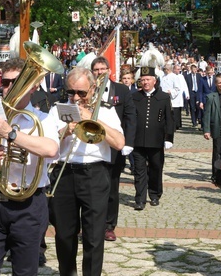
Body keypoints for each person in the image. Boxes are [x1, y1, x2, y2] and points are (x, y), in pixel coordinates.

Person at [0, 57, 59, 276]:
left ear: (32, 87)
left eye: (14, 83)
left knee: (25, 272)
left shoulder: (43, 119)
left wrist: (11, 134)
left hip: (29, 206)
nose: (7, 89)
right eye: (4, 83)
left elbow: (51, 150)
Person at [48, 66, 125, 275]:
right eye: (71, 92)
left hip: (94, 174)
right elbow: (46, 144)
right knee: (64, 234)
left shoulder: (106, 110)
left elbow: (119, 143)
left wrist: (91, 118)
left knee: (93, 236)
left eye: (81, 92)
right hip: (64, 174)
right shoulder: (57, 110)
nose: (75, 97)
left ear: (92, 89)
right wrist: (65, 130)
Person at [88, 57, 136, 243]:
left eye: (102, 69)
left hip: (115, 146)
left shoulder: (122, 90)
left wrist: (128, 143)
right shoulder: (88, 90)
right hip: (92, 146)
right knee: (91, 189)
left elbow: (131, 117)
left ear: (109, 70)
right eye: (96, 69)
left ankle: (109, 226)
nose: (99, 72)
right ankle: (91, 225)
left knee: (111, 188)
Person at [132, 66, 175, 210]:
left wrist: (169, 138)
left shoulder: (163, 97)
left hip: (156, 141)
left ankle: (155, 194)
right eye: (142, 80)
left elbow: (169, 119)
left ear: (154, 81)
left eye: (148, 79)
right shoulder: (135, 97)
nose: (145, 82)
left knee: (156, 168)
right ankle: (140, 198)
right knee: (139, 171)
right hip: (138, 141)